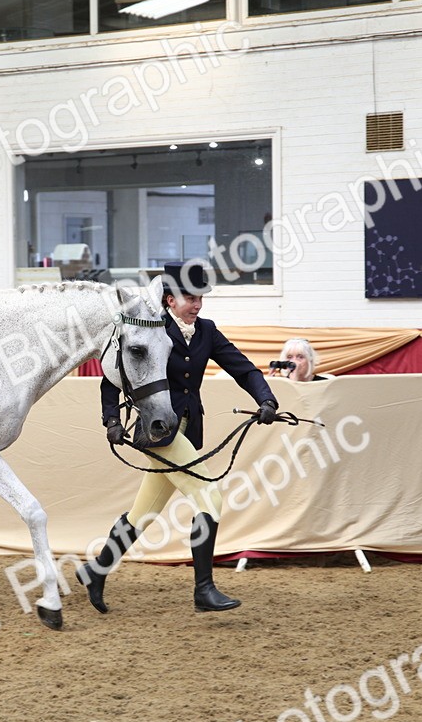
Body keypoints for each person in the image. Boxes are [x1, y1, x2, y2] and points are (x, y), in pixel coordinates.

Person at [76, 260, 281, 614]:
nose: (197, 304)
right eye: (190, 297)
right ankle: (204, 589)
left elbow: (243, 368)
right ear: (169, 300)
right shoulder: (150, 329)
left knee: (144, 513)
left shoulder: (207, 331)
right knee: (209, 497)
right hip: (160, 432)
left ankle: (96, 570)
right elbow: (113, 378)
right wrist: (111, 419)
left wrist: (266, 399)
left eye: (201, 297)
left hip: (188, 427)